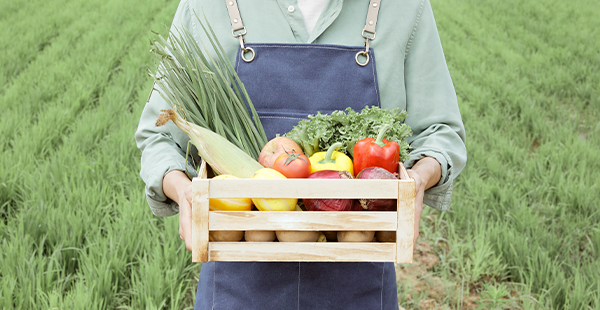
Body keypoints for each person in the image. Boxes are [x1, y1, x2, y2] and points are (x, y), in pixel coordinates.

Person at [135, 0, 466, 309]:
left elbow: (440, 131)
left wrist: (419, 178)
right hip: (235, 289)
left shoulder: (403, 8)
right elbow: (159, 134)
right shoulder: (207, 6)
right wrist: (182, 188)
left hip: (358, 288)